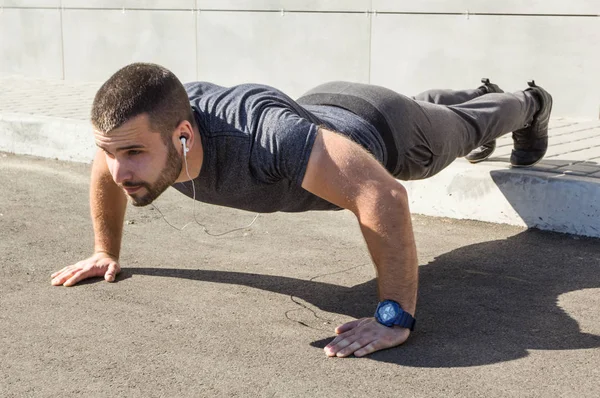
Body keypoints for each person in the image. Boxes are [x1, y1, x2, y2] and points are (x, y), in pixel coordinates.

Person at [50, 63, 552, 358]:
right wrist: (104, 250)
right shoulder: (137, 135)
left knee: (463, 130)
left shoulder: (269, 139)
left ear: (183, 135)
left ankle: (529, 102)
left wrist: (394, 315)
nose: (117, 170)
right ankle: (478, 94)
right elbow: (104, 167)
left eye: (132, 155)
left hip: (386, 131)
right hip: (325, 111)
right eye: (111, 152)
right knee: (438, 114)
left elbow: (385, 196)